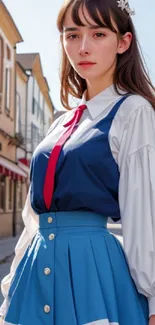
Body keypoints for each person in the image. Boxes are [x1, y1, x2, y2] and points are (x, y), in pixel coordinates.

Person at [0, 0, 155, 324]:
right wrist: (12, 286)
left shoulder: (134, 111)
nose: (83, 47)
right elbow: (33, 218)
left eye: (98, 34)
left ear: (123, 42)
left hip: (92, 274)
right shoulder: (61, 123)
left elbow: (143, 216)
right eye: (72, 35)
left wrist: (153, 300)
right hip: (34, 274)